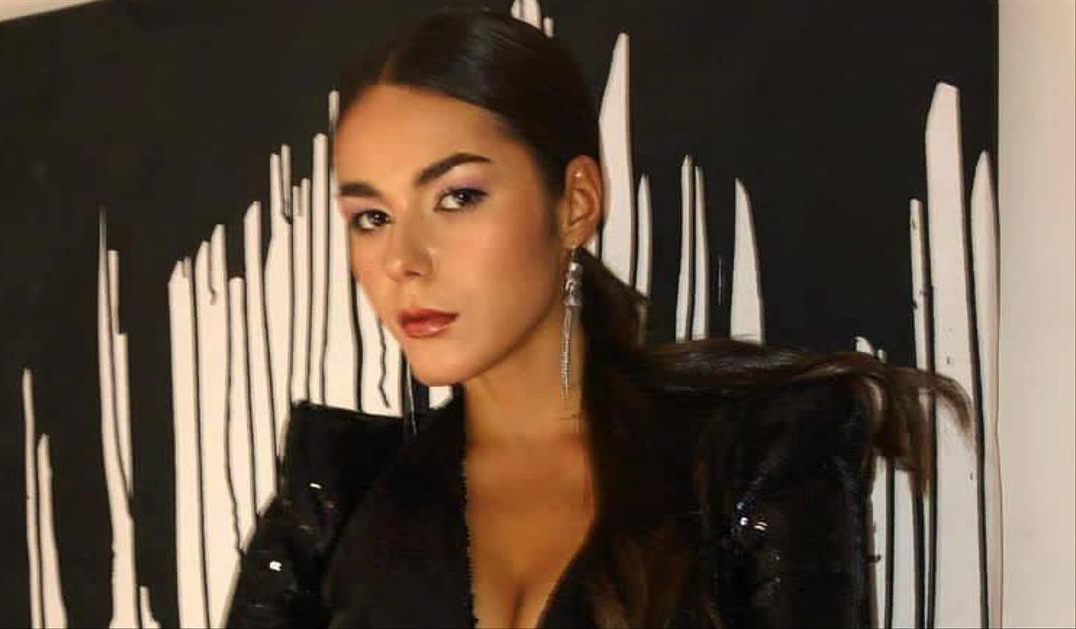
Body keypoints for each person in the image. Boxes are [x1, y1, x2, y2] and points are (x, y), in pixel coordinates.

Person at [225, 7, 969, 628]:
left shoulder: (753, 457)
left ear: (576, 203)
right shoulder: (335, 499)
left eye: (458, 197)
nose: (403, 260)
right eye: (371, 216)